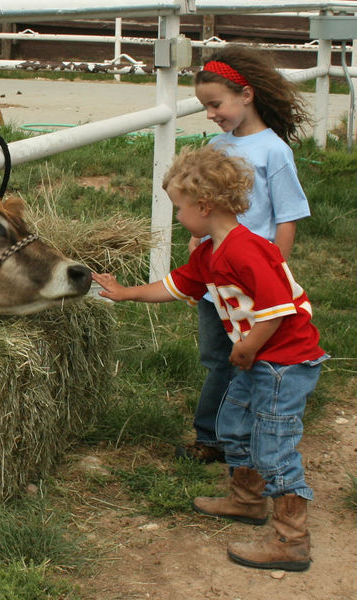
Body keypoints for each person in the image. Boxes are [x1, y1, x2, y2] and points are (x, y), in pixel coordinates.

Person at [92, 144, 328, 571]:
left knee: (273, 444)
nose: (177, 216)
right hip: (256, 357)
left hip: (283, 362)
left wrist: (248, 347)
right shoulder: (207, 252)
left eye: (179, 208)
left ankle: (292, 541)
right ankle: (246, 499)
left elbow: (278, 309)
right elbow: (177, 286)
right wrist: (125, 292)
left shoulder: (246, 249)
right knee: (233, 425)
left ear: (203, 206)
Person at [177, 43, 313, 465]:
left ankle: (248, 432)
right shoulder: (217, 147)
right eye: (206, 106)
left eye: (215, 103)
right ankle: (213, 436)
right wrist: (197, 242)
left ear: (246, 95)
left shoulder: (275, 152)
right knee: (218, 357)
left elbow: (286, 218)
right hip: (215, 278)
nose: (211, 113)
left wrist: (275, 272)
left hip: (252, 282)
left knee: (251, 356)